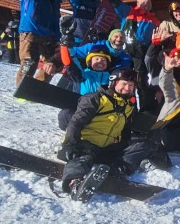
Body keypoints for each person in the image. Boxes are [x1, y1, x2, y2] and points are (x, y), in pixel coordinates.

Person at [57, 69, 168, 201]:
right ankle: (75, 183)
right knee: (83, 159)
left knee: (143, 145)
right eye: (124, 84)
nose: (128, 88)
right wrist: (69, 144)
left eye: (131, 86)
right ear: (113, 83)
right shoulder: (96, 99)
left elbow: (125, 132)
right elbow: (76, 123)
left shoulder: (128, 106)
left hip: (107, 147)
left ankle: (115, 171)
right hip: (85, 142)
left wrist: (129, 148)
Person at [13, 0, 62, 86]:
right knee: (29, 62)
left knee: (54, 63)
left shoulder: (54, 1)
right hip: (30, 34)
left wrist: (57, 37)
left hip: (48, 37)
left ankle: (37, 88)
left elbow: (55, 21)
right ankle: (22, 89)